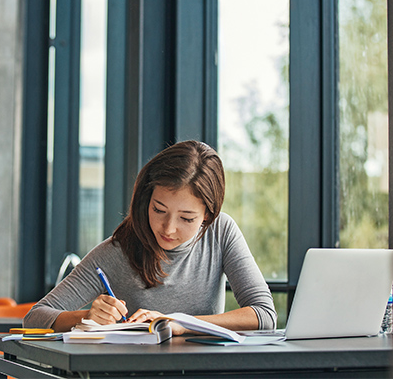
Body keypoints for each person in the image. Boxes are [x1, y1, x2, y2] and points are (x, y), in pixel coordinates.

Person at [23, 140, 276, 334]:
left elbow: (264, 315)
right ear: (146, 200)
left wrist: (179, 323)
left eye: (186, 218)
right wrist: (87, 316)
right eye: (158, 210)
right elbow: (34, 318)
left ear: (208, 216)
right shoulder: (118, 251)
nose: (168, 228)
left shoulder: (221, 232)